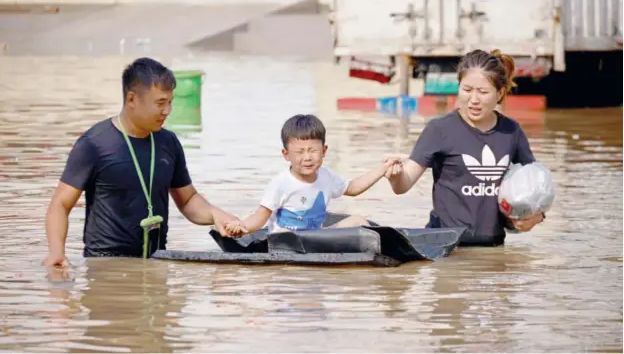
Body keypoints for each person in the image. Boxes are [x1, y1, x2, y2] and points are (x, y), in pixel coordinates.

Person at [42, 57, 241, 266]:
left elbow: (188, 199)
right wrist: (57, 252)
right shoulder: (94, 143)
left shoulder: (168, 142)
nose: (167, 111)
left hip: (156, 261)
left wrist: (215, 215)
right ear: (132, 99)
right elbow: (60, 204)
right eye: (160, 103)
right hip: (105, 265)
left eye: (170, 102)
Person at [385, 49, 547, 246]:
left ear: (500, 93)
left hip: (493, 249)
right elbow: (403, 184)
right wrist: (395, 176)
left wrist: (537, 217)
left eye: (483, 92)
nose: (474, 99)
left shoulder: (511, 131)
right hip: (445, 247)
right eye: (467, 90)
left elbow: (536, 184)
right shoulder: (440, 129)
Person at [225, 114, 401, 236]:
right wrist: (242, 228)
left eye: (313, 151)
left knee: (358, 220)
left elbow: (353, 188)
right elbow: (260, 217)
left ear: (324, 151)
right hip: (287, 240)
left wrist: (382, 169)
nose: (307, 158)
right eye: (300, 152)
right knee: (286, 235)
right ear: (286, 154)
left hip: (316, 237)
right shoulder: (280, 183)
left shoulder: (326, 176)